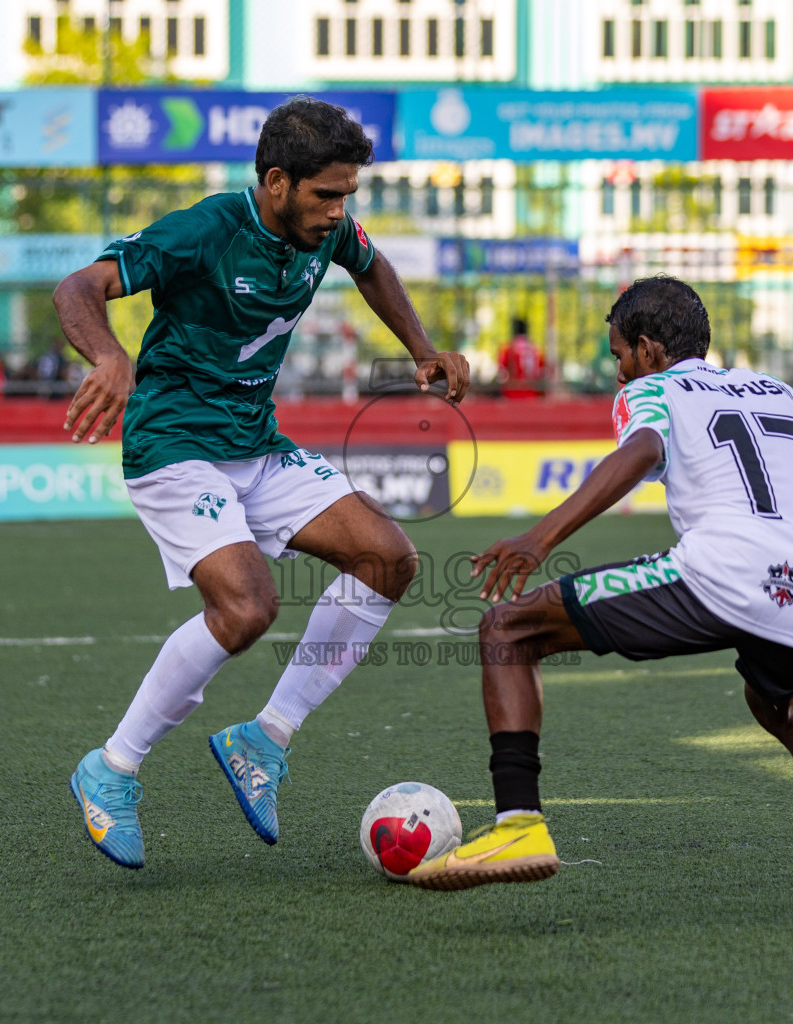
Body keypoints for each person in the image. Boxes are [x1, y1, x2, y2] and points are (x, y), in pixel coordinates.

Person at [406, 276, 793, 916]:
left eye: (620, 354)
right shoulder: (781, 392)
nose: (618, 370)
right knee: (780, 710)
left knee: (508, 628)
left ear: (650, 349)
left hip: (723, 574)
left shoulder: (654, 389)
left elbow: (644, 448)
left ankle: (518, 825)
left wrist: (539, 538)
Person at [53, 96, 470, 869]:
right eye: (326, 195)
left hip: (255, 443)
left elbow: (372, 266)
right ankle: (111, 769)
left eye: (348, 195)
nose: (340, 211)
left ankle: (264, 739)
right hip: (175, 444)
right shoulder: (203, 231)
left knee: (389, 557)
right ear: (276, 181)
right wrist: (110, 358)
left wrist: (422, 347)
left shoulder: (329, 228)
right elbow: (76, 289)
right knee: (247, 606)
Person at [497, 317, 545, 399]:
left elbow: (502, 373)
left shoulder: (508, 349)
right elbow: (542, 373)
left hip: (512, 395)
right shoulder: (536, 350)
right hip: (532, 395)